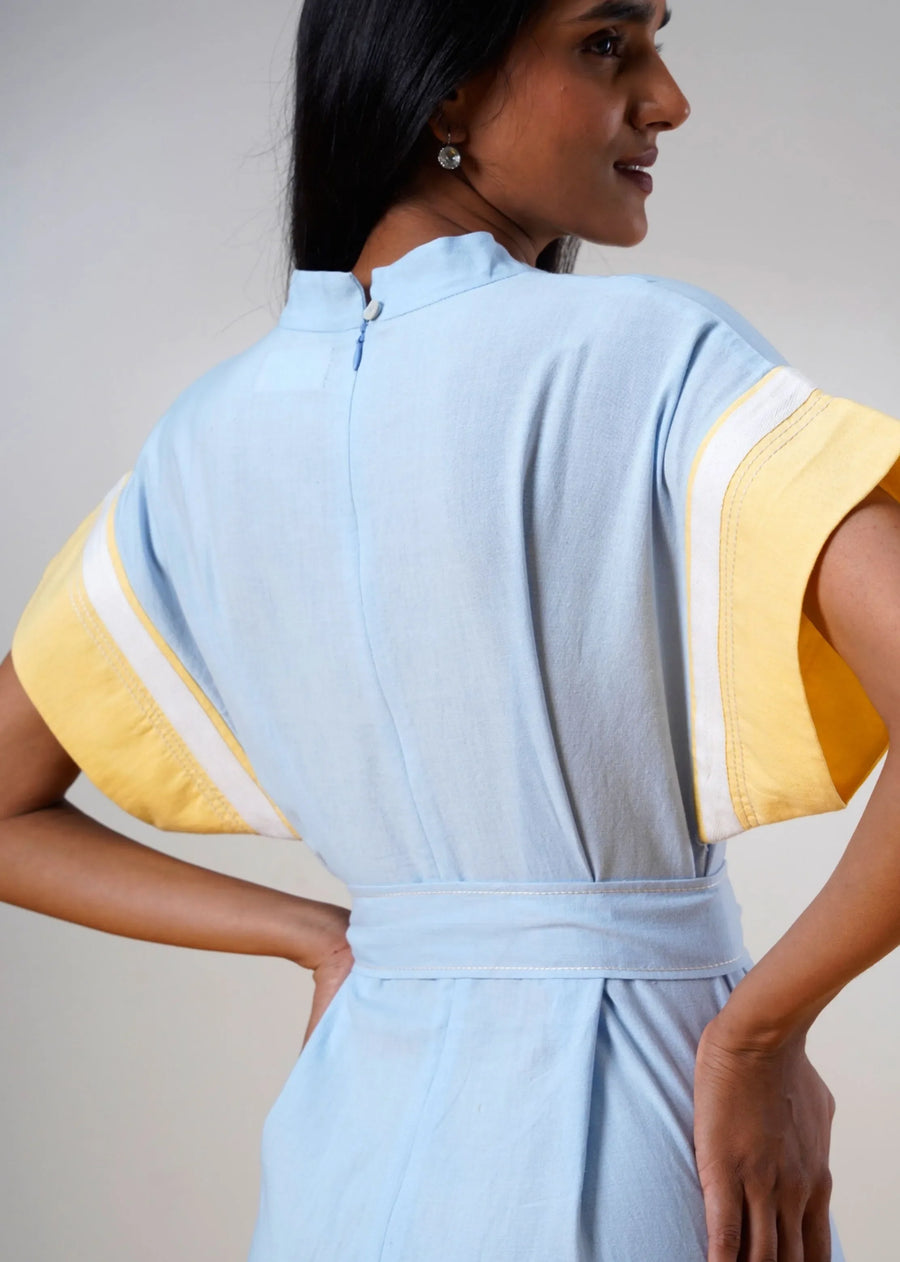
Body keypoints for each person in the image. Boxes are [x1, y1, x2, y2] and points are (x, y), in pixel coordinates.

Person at [3, 0, 900, 1258]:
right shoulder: (650, 353)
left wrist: (320, 936)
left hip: (343, 1150)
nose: (668, 99)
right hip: (647, 1129)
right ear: (444, 90)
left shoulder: (201, 440)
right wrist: (759, 1034)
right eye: (608, 43)